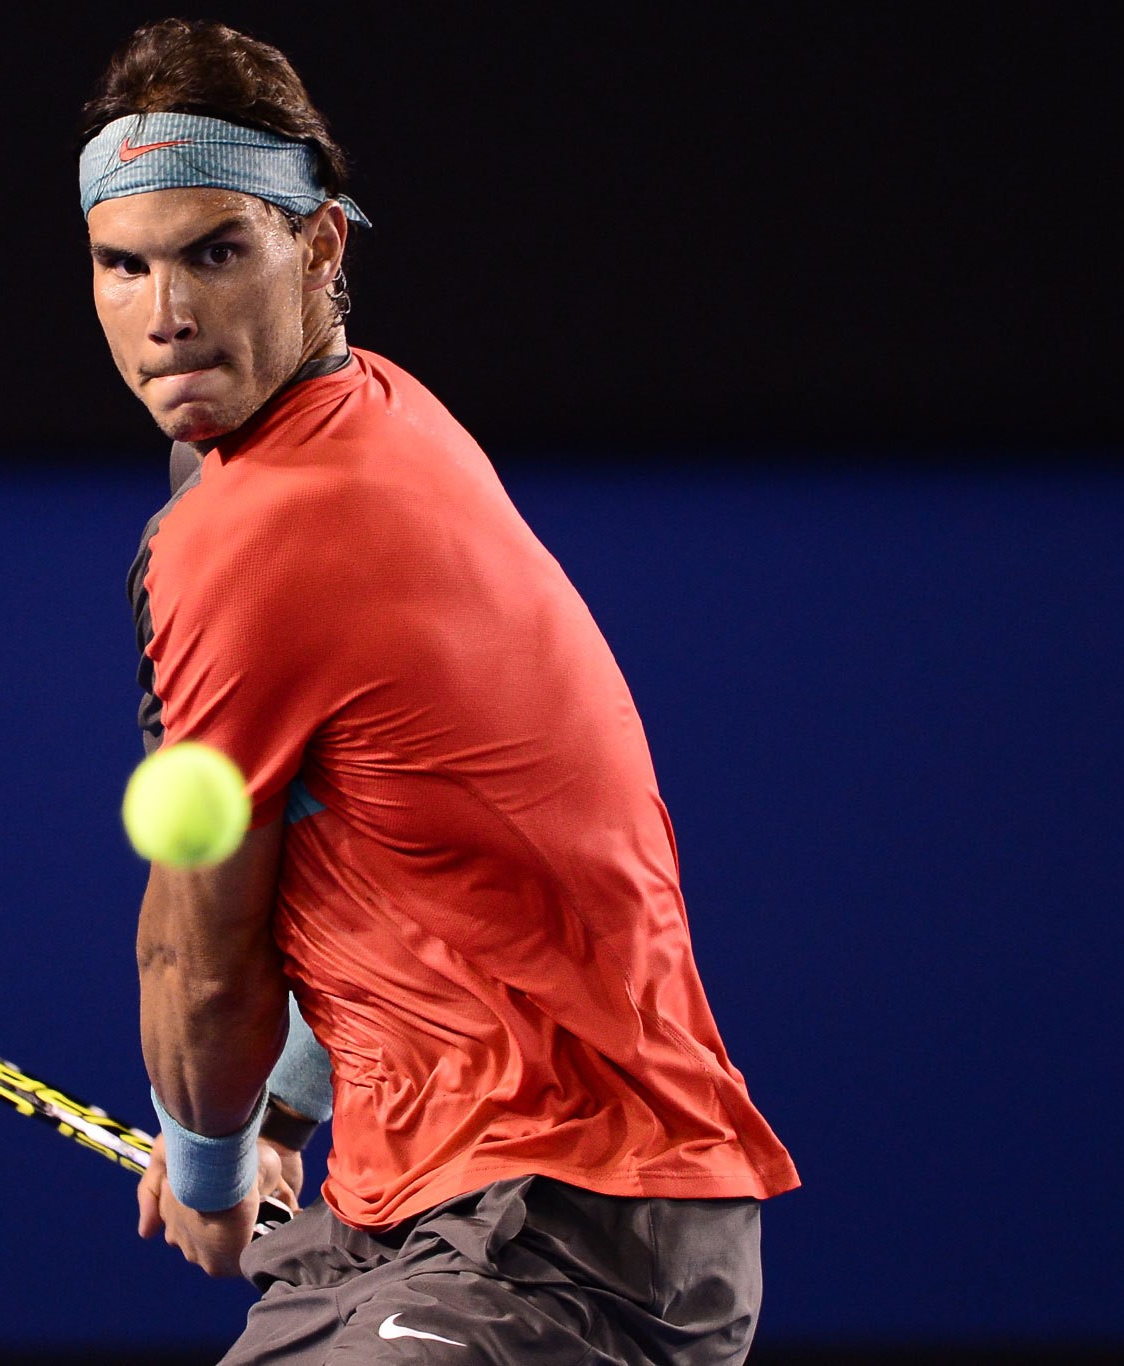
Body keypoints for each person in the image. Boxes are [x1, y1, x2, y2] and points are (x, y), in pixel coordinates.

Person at [80, 21, 800, 1364]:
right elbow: (398, 849)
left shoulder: (247, 535)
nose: (164, 311)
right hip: (450, 1204)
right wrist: (280, 1113)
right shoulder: (385, 416)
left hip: (556, 1228)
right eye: (123, 264)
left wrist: (209, 1157)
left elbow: (199, 954)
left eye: (215, 252)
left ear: (319, 246)